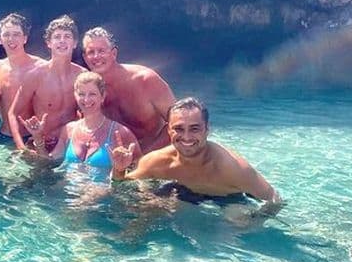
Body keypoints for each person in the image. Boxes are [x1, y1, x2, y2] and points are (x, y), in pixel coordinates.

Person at [110, 97, 283, 215]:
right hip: (182, 193)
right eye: (179, 129)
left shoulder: (231, 167)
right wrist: (119, 170)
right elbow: (121, 187)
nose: (186, 137)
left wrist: (253, 221)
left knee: (237, 222)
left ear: (207, 130)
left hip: (228, 198)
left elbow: (275, 200)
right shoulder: (157, 161)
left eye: (194, 129)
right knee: (145, 209)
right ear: (169, 130)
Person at [21, 72, 141, 181]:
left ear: (103, 96)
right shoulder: (69, 129)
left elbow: (140, 170)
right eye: (81, 94)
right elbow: (49, 163)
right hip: (66, 194)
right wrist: (38, 137)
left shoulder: (120, 132)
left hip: (101, 195)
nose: (86, 99)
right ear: (75, 96)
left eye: (92, 94)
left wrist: (119, 171)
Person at [82, 27, 176, 153]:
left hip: (153, 154)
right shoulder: (86, 90)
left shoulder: (145, 80)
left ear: (114, 53)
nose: (96, 56)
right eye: (91, 52)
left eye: (101, 51)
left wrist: (144, 157)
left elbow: (179, 123)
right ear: (85, 58)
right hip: (113, 157)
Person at [7, 15, 86, 151]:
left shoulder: (82, 75)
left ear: (74, 43)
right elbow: (13, 113)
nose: (62, 41)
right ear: (49, 43)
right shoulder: (35, 76)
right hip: (42, 143)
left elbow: (92, 112)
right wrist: (21, 146)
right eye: (57, 37)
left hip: (70, 144)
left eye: (67, 36)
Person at [0, 13, 46, 146]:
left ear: (25, 38)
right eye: (6, 34)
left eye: (16, 34)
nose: (11, 39)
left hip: (30, 138)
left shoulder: (40, 67)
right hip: (3, 135)